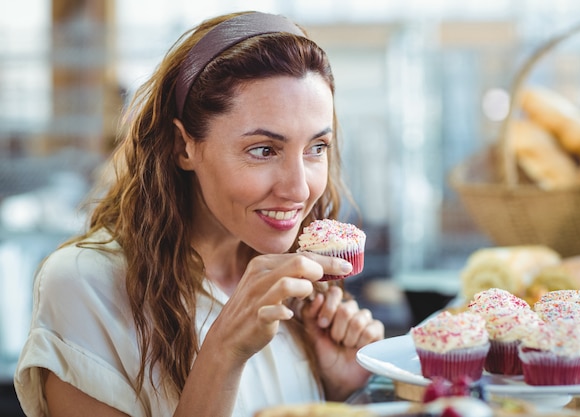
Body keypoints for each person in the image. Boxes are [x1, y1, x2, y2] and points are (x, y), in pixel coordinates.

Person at [13, 10, 385, 417]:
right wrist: (223, 351)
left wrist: (335, 390)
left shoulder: (293, 278)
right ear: (182, 146)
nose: (298, 189)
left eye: (316, 148)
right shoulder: (84, 286)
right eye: (263, 150)